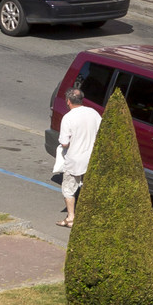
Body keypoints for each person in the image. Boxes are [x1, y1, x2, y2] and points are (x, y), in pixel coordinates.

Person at [53, 78, 105, 229]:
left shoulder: (68, 118)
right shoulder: (93, 113)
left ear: (68, 101)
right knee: (89, 187)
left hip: (75, 159)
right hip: (92, 159)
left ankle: (71, 217)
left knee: (68, 189)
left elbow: (64, 143)